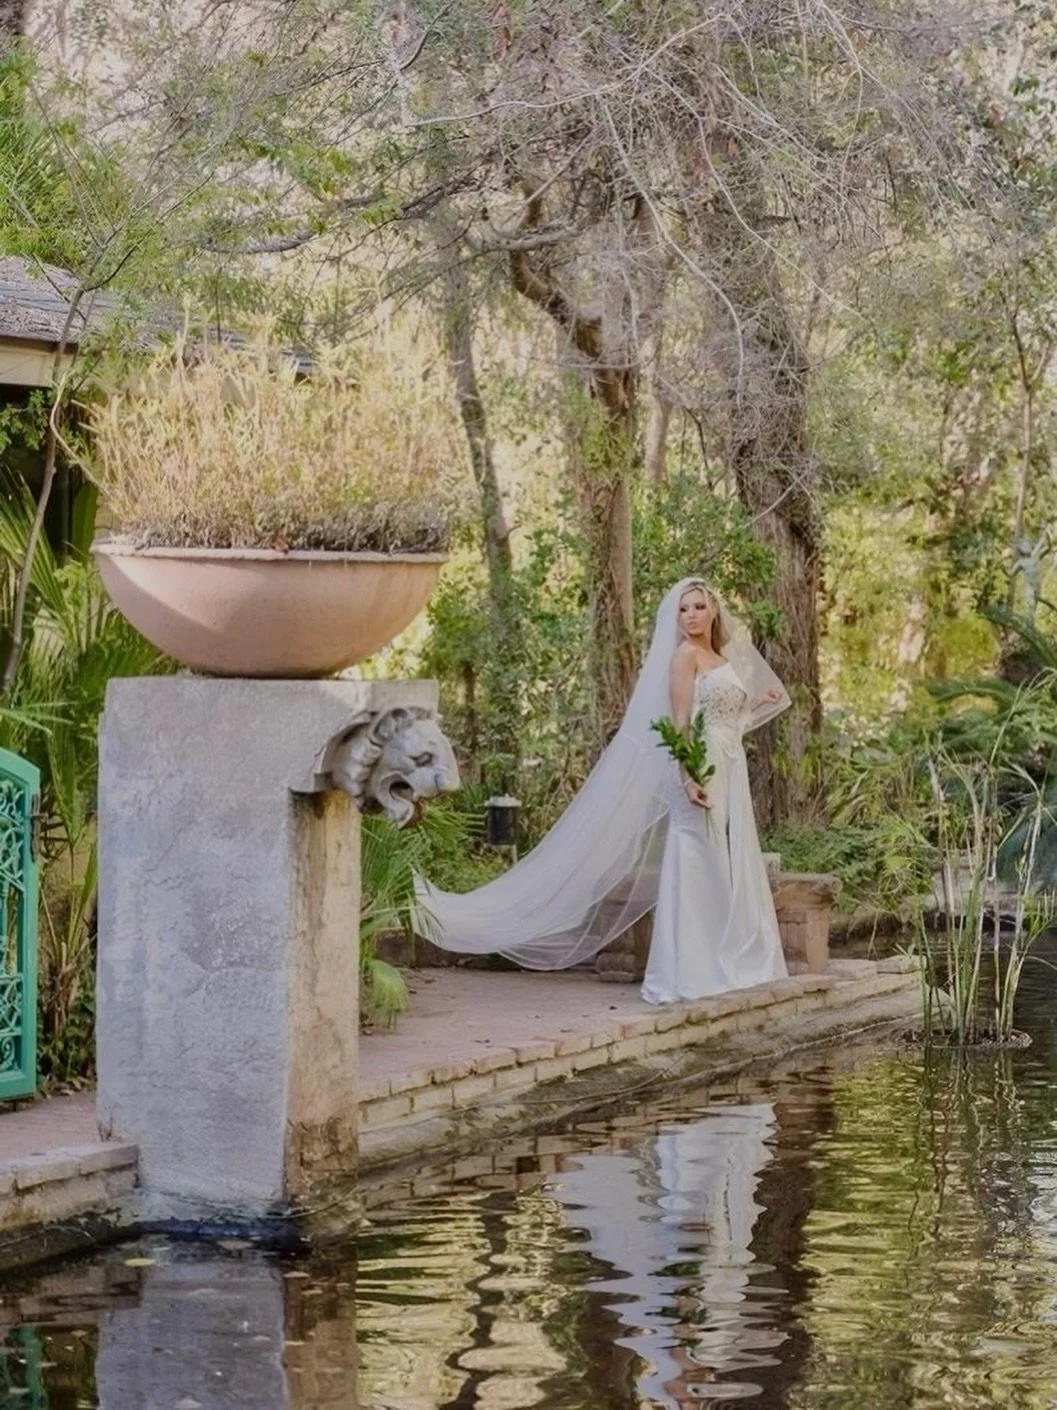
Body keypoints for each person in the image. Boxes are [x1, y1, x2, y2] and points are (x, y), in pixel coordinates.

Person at [413, 577, 790, 1002]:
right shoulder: (684, 656)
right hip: (697, 766)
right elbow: (682, 721)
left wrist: (757, 703)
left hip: (726, 765)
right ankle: (688, 972)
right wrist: (688, 776)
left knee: (719, 861)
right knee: (696, 859)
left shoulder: (718, 657)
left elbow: (725, 717)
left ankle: (715, 962)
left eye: (699, 607)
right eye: (684, 609)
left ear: (714, 611)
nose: (690, 616)